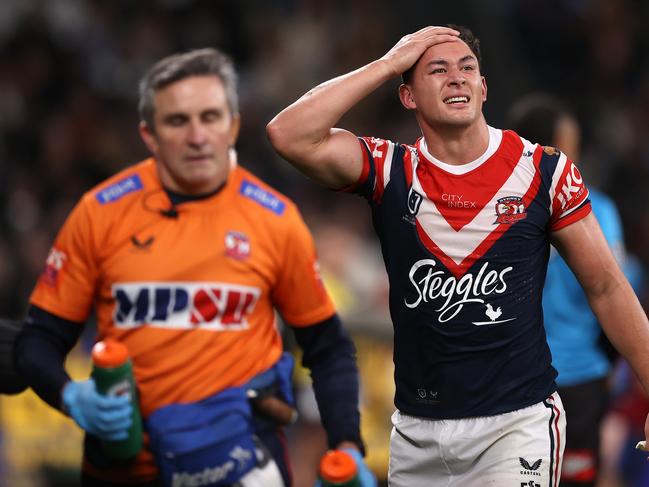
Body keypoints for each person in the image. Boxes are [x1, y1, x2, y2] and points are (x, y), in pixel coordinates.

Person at [266, 24, 649, 486]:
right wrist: (389, 62)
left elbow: (607, 286)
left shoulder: (543, 171)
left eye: (468, 68)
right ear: (408, 96)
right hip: (416, 433)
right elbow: (288, 134)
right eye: (437, 70)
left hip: (516, 426)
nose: (457, 78)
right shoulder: (391, 169)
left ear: (483, 88)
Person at [14, 48, 376, 487]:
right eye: (177, 121)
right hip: (128, 465)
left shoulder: (274, 219)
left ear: (234, 125)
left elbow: (328, 347)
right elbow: (39, 339)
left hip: (246, 460)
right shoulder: (100, 212)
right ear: (149, 134)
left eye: (210, 117)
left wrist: (347, 445)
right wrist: (71, 396)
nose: (197, 136)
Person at [507, 94, 627, 487]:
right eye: (569, 146)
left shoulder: (497, 210)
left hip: (512, 380)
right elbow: (616, 292)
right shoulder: (597, 210)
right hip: (578, 382)